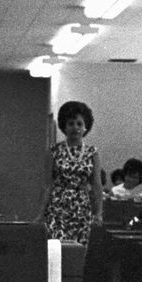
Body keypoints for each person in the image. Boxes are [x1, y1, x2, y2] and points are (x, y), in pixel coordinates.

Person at [43, 99, 102, 242]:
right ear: (64, 126)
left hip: (82, 208)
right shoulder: (54, 151)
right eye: (71, 123)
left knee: (80, 249)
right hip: (57, 207)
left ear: (85, 127)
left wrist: (98, 213)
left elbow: (96, 186)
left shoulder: (92, 152)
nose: (75, 127)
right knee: (57, 247)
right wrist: (41, 214)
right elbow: (47, 185)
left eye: (79, 124)